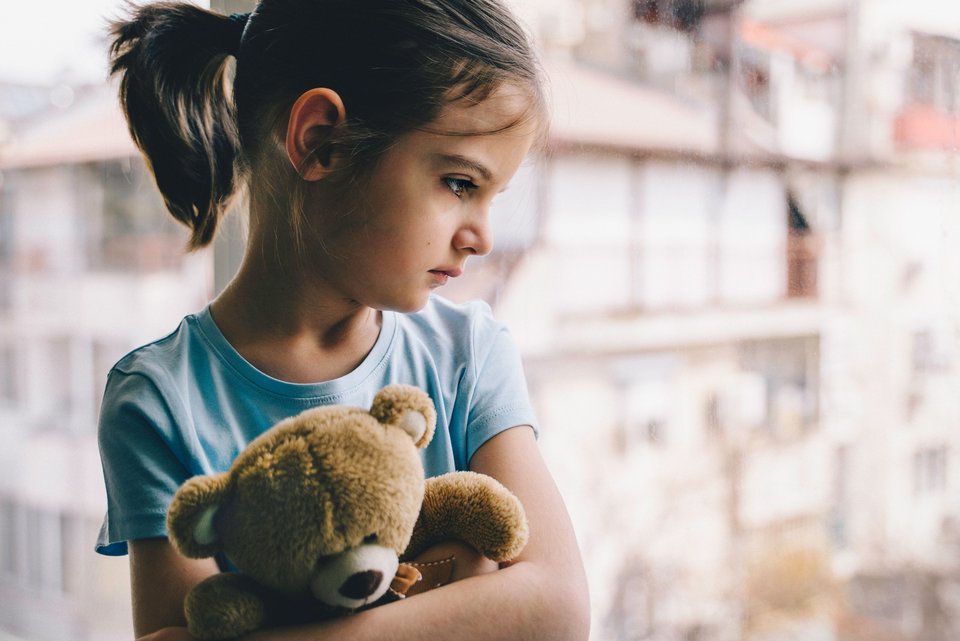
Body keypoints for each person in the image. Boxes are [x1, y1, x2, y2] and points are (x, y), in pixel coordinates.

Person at [95, 1, 590, 640]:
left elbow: (554, 610)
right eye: (460, 183)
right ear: (321, 140)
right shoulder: (158, 401)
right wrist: (453, 578)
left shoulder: (468, 354)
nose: (482, 238)